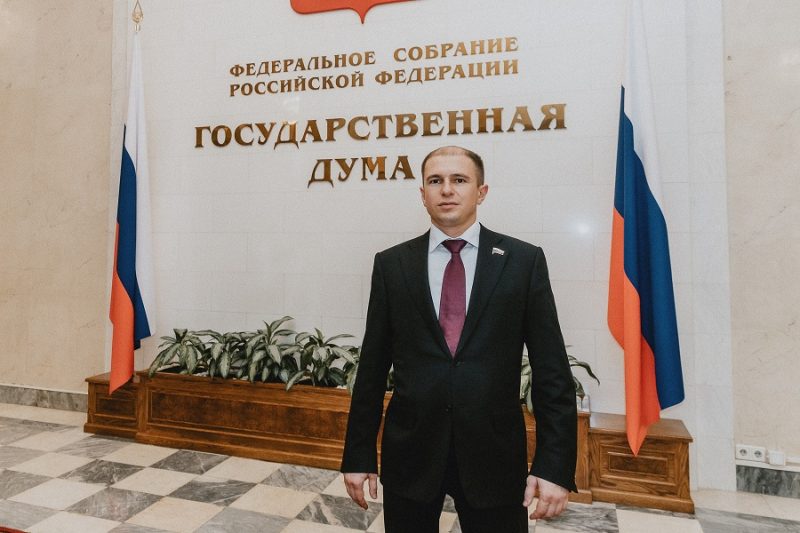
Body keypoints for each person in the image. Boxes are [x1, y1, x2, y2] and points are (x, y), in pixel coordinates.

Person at [341, 146, 577, 533]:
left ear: (481, 192)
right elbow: (371, 368)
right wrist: (358, 453)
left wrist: (554, 465)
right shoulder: (392, 264)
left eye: (459, 180)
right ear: (423, 194)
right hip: (411, 456)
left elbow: (552, 370)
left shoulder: (523, 261)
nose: (447, 189)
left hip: (494, 458)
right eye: (435, 181)